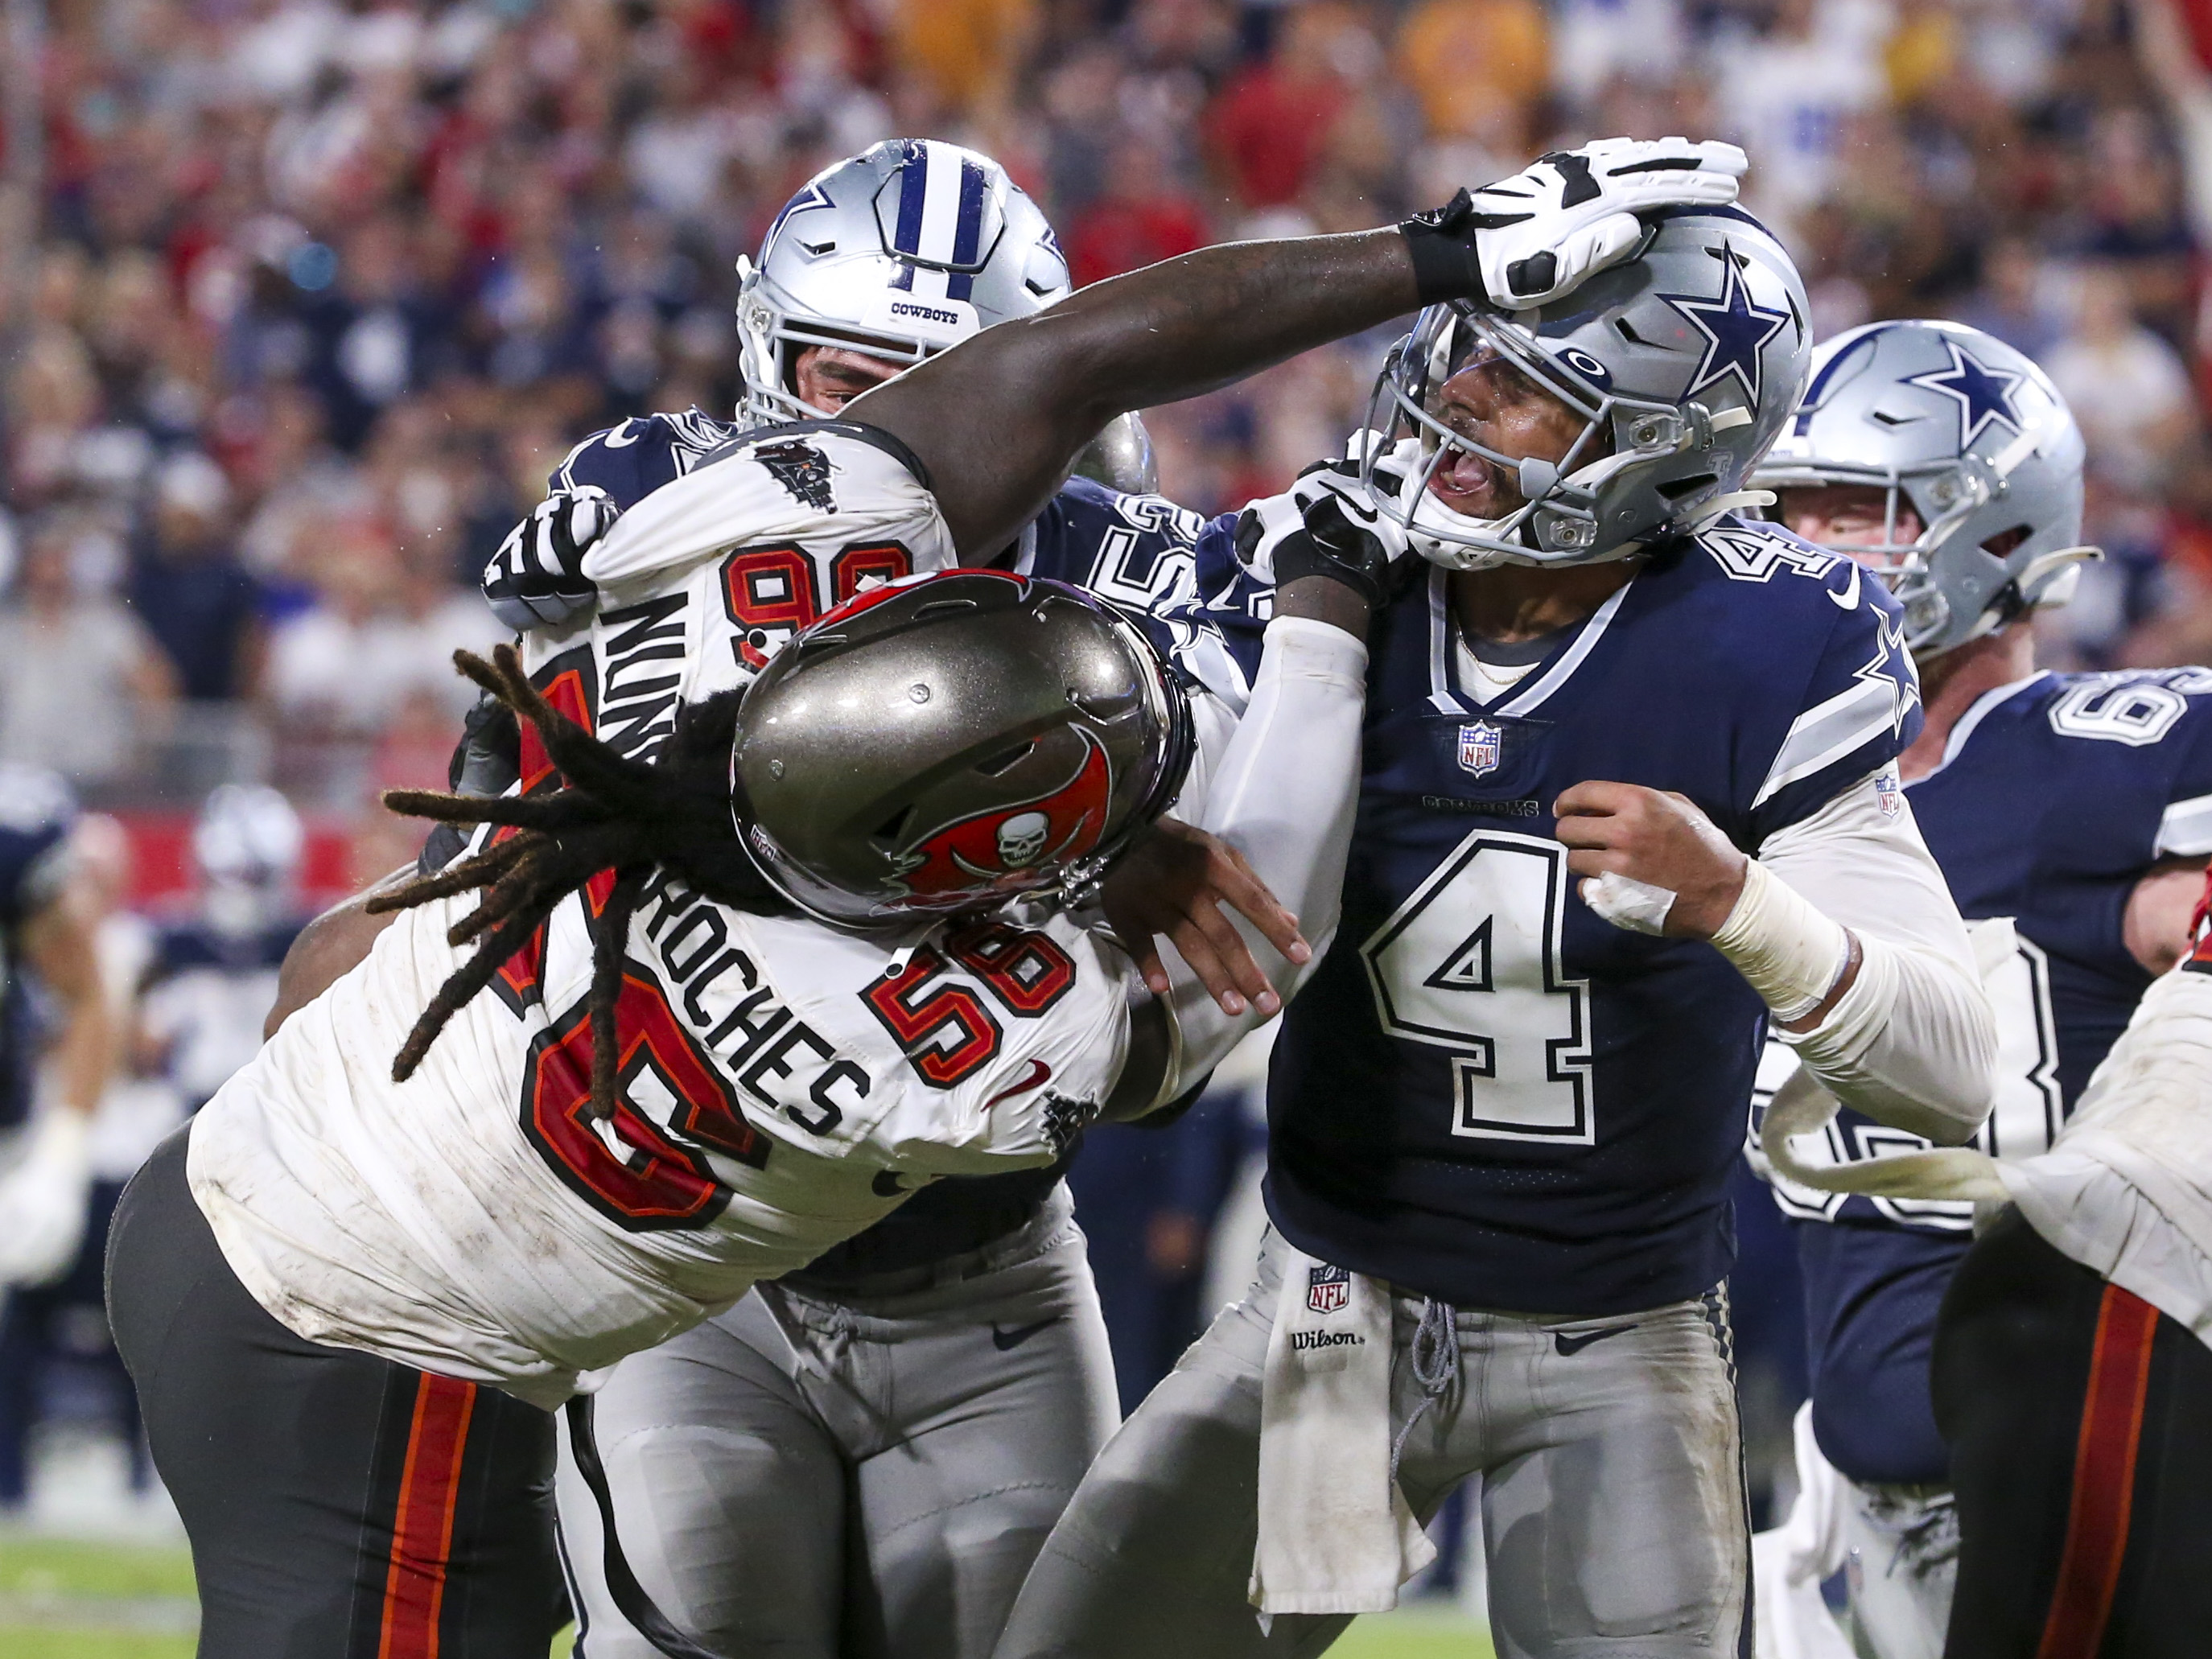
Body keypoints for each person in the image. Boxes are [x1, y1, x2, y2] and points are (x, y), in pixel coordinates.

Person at [108, 136, 1749, 1657]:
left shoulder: (789, 548)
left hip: (964, 1279)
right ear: (774, 359)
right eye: (850, 378)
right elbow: (1221, 946)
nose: (893, 416)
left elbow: (1070, 395)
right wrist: (1131, 817)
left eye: (935, 380)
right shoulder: (721, 552)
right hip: (711, 1277)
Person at [994, 187, 1999, 1659]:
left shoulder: (1771, 644)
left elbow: (1949, 1065)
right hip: (1326, 1308)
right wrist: (1125, 828)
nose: (1452, 397)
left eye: (1525, 387)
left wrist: (1739, 902)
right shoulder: (1333, 565)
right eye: (1466, 352)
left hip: (1617, 1345)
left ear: (1662, 448)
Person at [1739, 320, 2212, 1659]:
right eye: (1788, 506)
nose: (1807, 546)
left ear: (1990, 535)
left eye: (1854, 511)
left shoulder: (2080, 761)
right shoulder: (1750, 791)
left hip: (2087, 1476)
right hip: (1861, 1494)